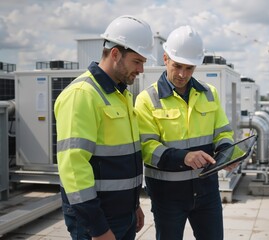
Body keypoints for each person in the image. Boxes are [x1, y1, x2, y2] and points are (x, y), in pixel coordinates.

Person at [54, 15, 154, 240]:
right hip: (98, 220)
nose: (141, 69)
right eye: (137, 61)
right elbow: (73, 169)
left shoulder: (121, 95)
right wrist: (98, 229)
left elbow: (124, 157)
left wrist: (134, 205)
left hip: (122, 214)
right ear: (116, 54)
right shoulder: (82, 95)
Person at [134, 25, 238, 240]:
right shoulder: (147, 99)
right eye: (177, 66)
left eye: (189, 68)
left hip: (206, 191)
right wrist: (184, 157)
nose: (182, 74)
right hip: (167, 195)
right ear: (165, 58)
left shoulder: (210, 94)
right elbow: (147, 147)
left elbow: (223, 133)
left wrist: (227, 151)